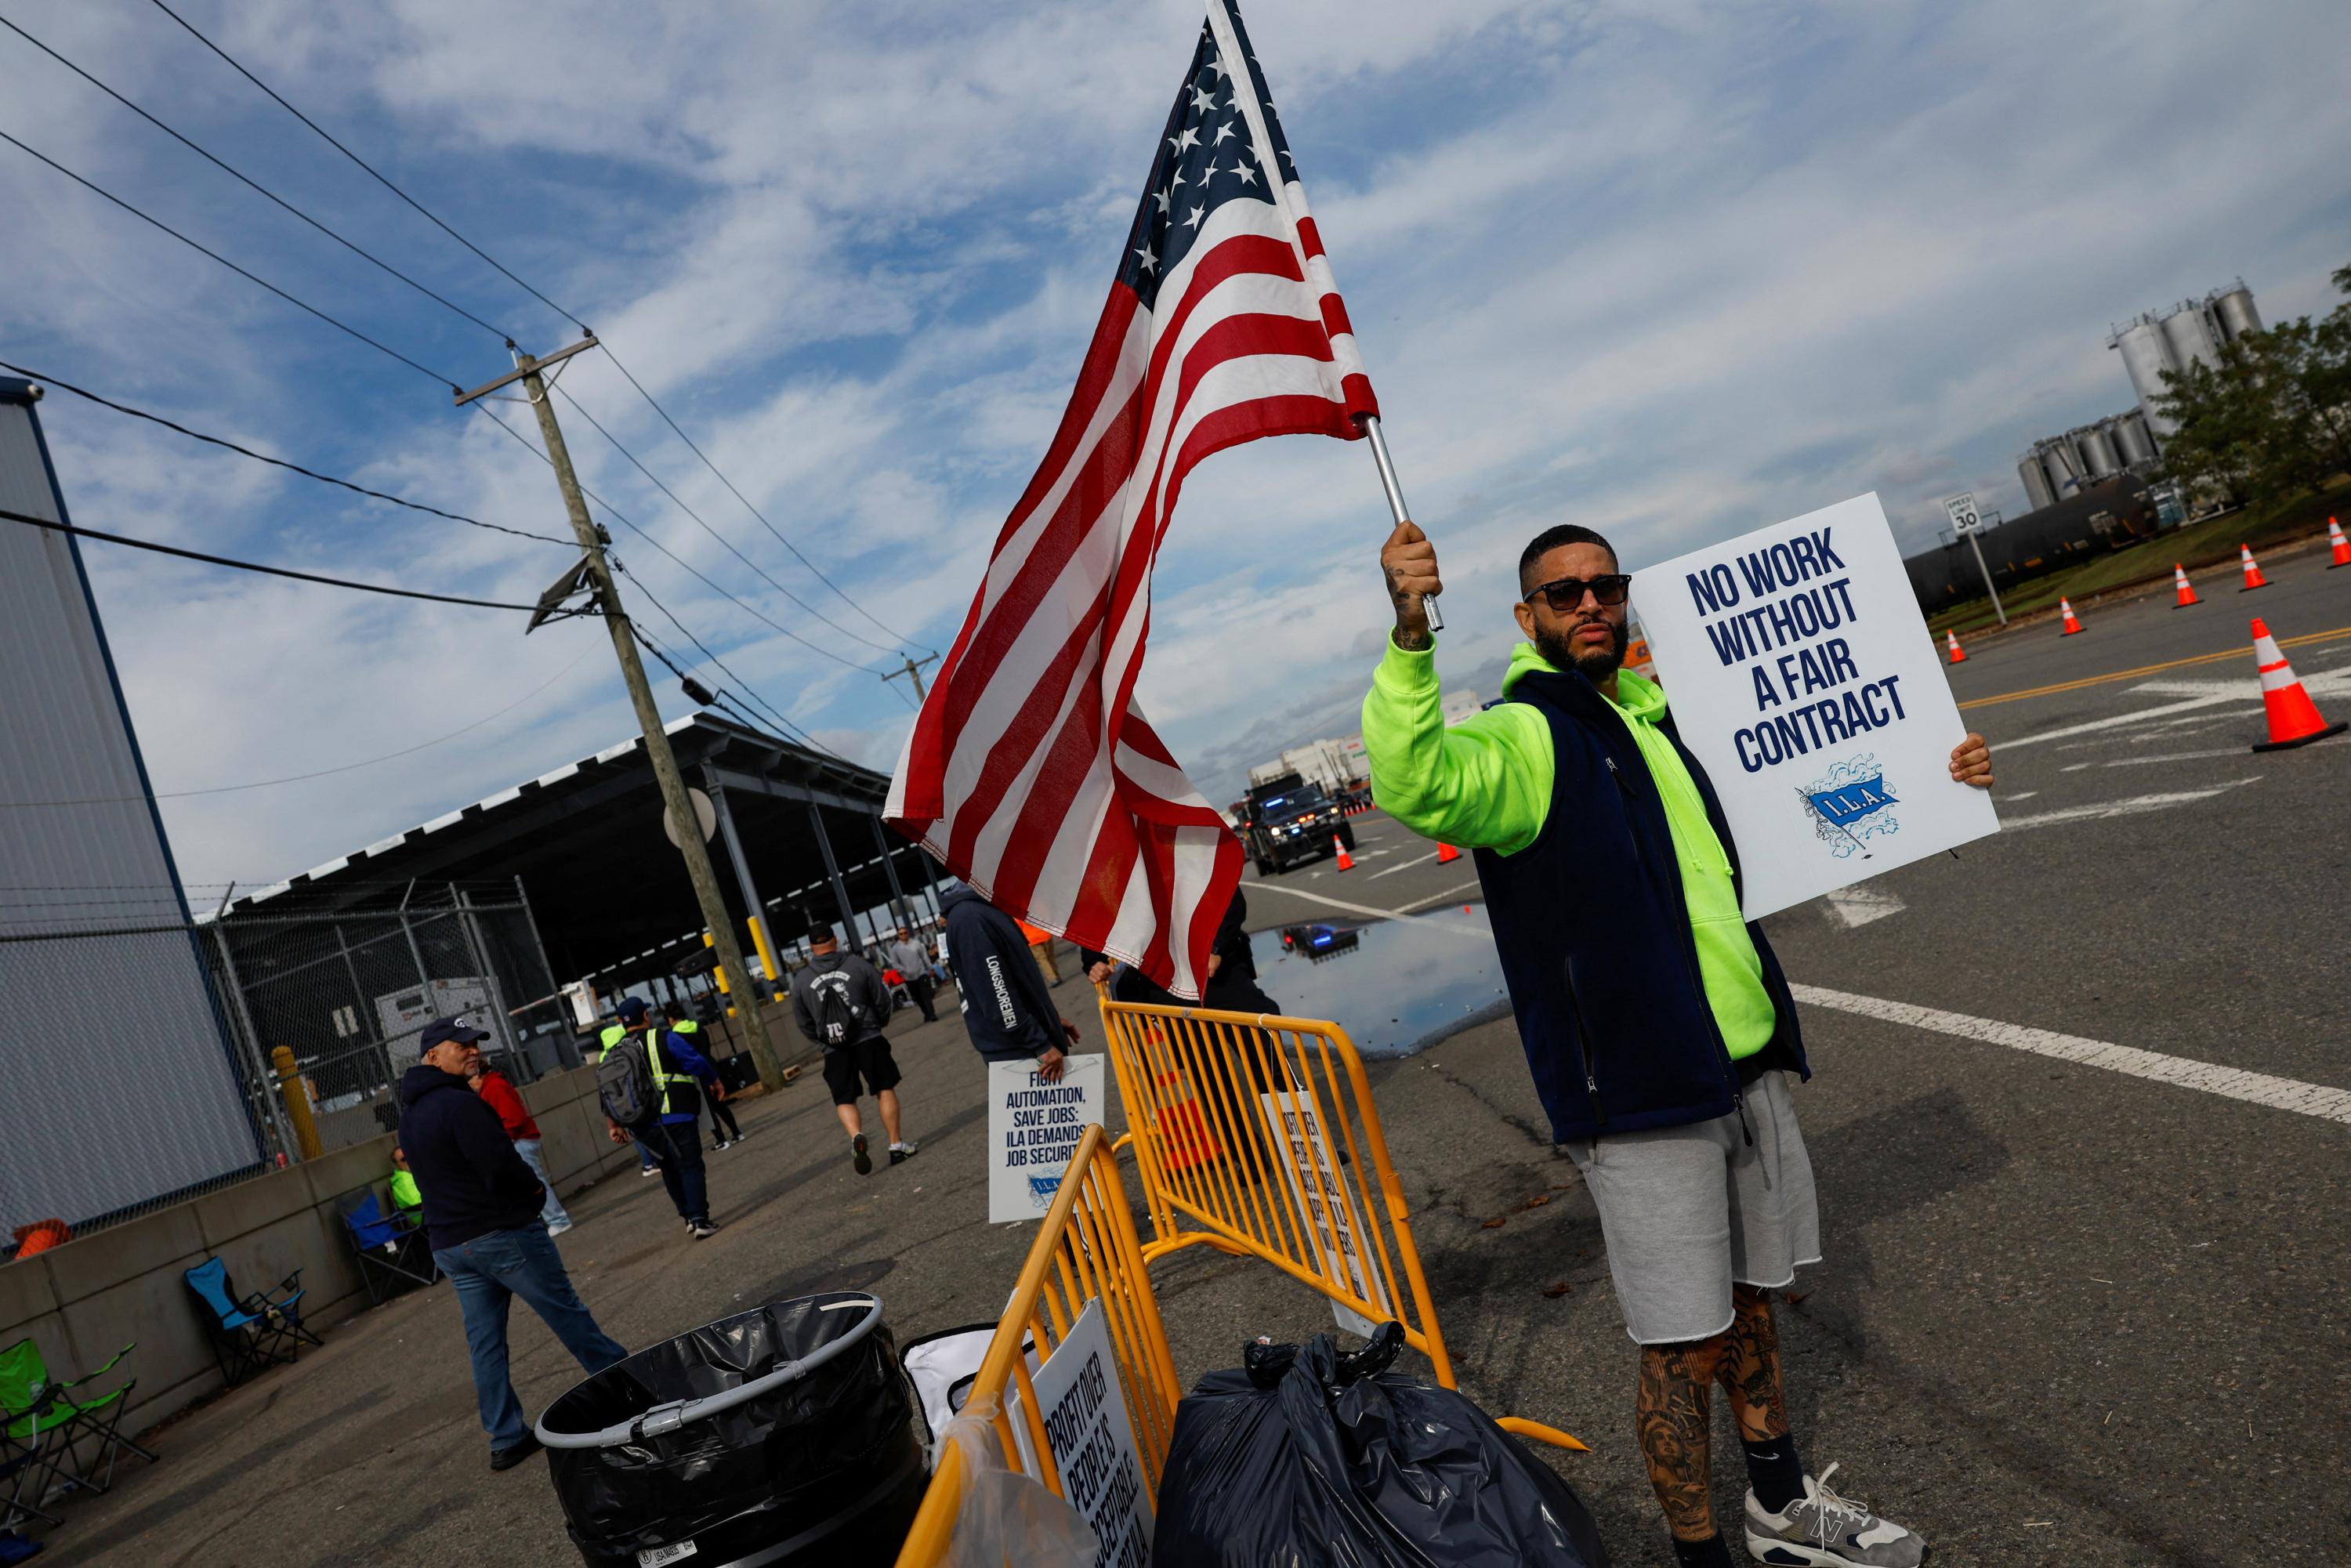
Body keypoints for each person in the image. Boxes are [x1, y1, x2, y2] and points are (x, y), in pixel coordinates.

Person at [1363, 518, 1994, 1568]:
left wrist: (1940, 774)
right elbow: (1419, 776)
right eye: (1563, 595)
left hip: (1737, 1067)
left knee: (1751, 1301)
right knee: (1685, 1343)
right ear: (1528, 619)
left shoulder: (1655, 724)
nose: (1590, 606)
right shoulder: (1531, 734)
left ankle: (1781, 1512)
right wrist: (1409, 631)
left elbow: (1809, 799)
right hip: (1642, 1094)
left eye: (1605, 587)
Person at [398, 1018, 628, 1471]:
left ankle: (505, 1438)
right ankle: (632, 1389)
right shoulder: (460, 1105)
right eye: (460, 1046)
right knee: (567, 1315)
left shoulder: (409, 1118)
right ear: (432, 1056)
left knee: (485, 1344)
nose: (472, 1052)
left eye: (474, 1045)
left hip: (451, 1245)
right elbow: (501, 1165)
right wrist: (535, 1194)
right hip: (499, 1234)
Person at [786, 932, 915, 1172]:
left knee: (844, 1097)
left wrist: (824, 1041)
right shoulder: (858, 965)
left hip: (833, 1048)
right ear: (835, 940)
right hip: (868, 1038)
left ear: (811, 947)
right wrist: (878, 1024)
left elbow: (803, 1021)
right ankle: (896, 1145)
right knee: (884, 1088)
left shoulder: (802, 981)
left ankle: (856, 1135)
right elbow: (883, 999)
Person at [602, 997, 726, 1238]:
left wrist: (614, 1125)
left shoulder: (614, 1053)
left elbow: (608, 1092)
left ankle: (688, 1217)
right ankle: (700, 1219)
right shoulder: (663, 1037)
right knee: (690, 1165)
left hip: (643, 1124)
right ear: (646, 1016)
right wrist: (715, 1080)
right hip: (677, 1114)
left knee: (669, 1170)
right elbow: (695, 1061)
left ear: (621, 1024)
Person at [941, 883, 1075, 1084]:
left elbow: (1015, 978)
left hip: (1026, 1046)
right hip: (1020, 1052)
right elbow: (997, 992)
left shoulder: (986, 908)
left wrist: (1049, 1020)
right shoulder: (971, 917)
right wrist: (1038, 1043)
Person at [463, 1045, 572, 1237]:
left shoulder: (493, 1088)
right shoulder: (493, 1086)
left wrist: (504, 1141)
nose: (470, 1085)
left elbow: (513, 1118)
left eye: (470, 1081)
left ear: (477, 1076)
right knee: (530, 1181)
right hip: (520, 1139)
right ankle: (554, 1219)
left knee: (534, 1181)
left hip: (520, 1139)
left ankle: (558, 1220)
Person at [594, 1016, 664, 1178]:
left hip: (620, 1107)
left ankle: (647, 1164)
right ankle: (654, 1161)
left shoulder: (603, 1059)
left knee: (637, 1133)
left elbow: (604, 1097)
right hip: (639, 1102)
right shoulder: (628, 1052)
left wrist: (612, 1125)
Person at [887, 925, 940, 1023]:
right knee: (918, 998)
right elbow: (895, 963)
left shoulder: (916, 944)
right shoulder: (895, 949)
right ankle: (926, 1013)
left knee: (926, 995)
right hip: (908, 977)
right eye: (901, 934)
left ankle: (932, 1014)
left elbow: (924, 957)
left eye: (905, 933)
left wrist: (930, 968)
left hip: (921, 973)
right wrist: (903, 970)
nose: (903, 935)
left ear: (908, 933)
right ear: (898, 936)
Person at [1016, 917, 1063, 985]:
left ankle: (1053, 978)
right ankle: (1057, 976)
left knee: (1042, 959)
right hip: (1045, 935)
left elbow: (1019, 929)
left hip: (1032, 940)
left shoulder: (1018, 916)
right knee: (1050, 957)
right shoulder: (1037, 909)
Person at [388, 1146, 424, 1215]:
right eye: (404, 1159)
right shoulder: (403, 1180)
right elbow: (417, 1202)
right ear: (398, 1165)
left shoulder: (414, 1173)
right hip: (425, 1216)